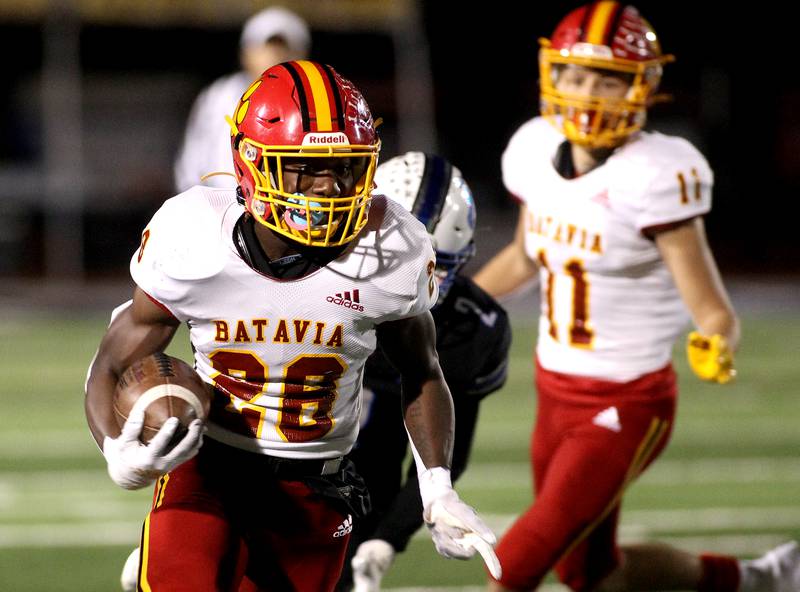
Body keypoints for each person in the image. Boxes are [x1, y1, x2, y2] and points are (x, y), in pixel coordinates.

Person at [86, 60, 499, 592]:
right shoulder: (194, 234)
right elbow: (113, 359)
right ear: (251, 163)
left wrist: (437, 486)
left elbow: (422, 371)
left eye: (345, 166)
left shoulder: (392, 249)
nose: (330, 186)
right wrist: (114, 448)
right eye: (306, 166)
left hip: (317, 489)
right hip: (209, 470)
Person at [472, 2, 800, 592]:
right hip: (554, 390)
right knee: (592, 575)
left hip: (627, 401)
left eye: (608, 78)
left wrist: (716, 341)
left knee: (518, 561)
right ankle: (761, 580)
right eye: (575, 75)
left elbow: (713, 308)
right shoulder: (532, 149)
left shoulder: (656, 173)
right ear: (553, 76)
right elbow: (525, 256)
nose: (587, 92)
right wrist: (446, 302)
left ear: (641, 86)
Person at [328, 152, 512, 592]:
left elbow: (448, 449)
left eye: (436, 265)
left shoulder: (473, 327)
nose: (413, 278)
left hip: (371, 477)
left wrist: (389, 537)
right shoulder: (316, 286)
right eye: (395, 259)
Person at [173, 6, 311, 193]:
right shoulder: (220, 95)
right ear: (246, 54)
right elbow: (191, 161)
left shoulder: (311, 100)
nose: (276, 56)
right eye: (267, 48)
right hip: (221, 204)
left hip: (285, 209)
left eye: (284, 48)